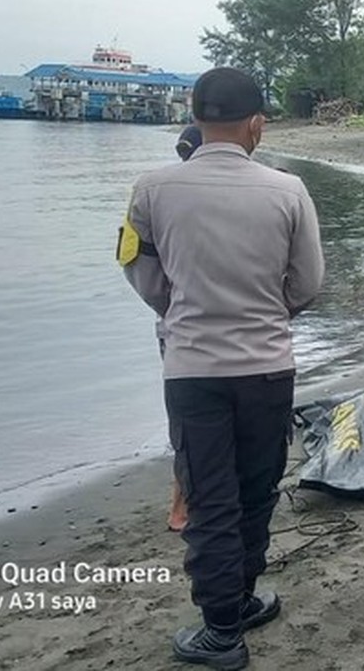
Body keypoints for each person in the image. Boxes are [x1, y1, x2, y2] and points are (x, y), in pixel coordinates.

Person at [120, 67, 325, 669]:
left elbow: (141, 272)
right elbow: (308, 281)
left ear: (195, 116)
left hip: (192, 369)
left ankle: (221, 625)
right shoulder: (288, 190)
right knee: (256, 489)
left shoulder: (152, 189)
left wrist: (183, 308)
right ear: (257, 123)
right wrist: (268, 309)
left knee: (209, 498)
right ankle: (236, 603)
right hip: (266, 366)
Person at [165, 124, 203, 534]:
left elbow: (136, 265)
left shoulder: (155, 192)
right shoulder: (269, 189)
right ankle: (180, 508)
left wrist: (170, 306)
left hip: (179, 334)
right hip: (252, 337)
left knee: (186, 427)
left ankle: (182, 507)